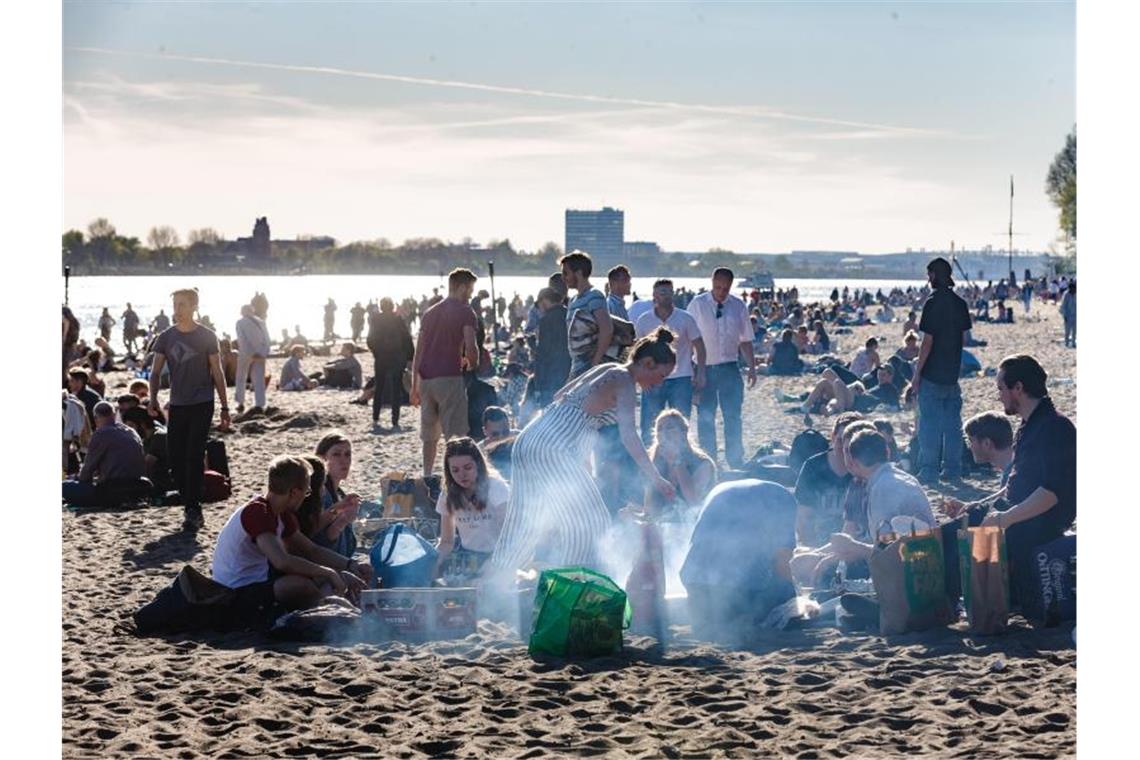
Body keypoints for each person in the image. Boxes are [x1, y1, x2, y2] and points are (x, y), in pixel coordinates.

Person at [489, 329, 679, 576]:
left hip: (532, 438)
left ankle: (493, 587)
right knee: (591, 522)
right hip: (554, 448)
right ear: (648, 363)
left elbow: (561, 396)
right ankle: (572, 584)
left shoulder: (609, 368)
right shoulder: (626, 383)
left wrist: (581, 458)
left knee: (523, 522)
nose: (660, 383)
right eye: (661, 375)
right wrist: (656, 477)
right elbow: (629, 436)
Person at [210, 456, 367, 617]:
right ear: (293, 492)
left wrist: (349, 565)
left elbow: (311, 550)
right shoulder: (258, 512)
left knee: (323, 578)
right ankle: (330, 611)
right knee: (298, 585)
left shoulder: (281, 513)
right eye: (306, 492)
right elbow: (282, 561)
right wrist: (328, 573)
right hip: (233, 593)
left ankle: (329, 607)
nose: (306, 497)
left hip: (258, 584)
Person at [973, 355, 1076, 601]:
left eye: (1001, 388)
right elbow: (1016, 480)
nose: (999, 395)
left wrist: (1005, 519)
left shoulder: (1055, 427)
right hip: (1019, 516)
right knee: (965, 521)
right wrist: (981, 505)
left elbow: (1052, 493)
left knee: (968, 538)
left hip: (1039, 526)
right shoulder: (1028, 426)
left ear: (1018, 388)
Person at [149, 287, 231, 530]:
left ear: (194, 306)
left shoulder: (207, 336)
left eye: (182, 304)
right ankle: (189, 500)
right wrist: (153, 398)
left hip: (202, 402)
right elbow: (154, 372)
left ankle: (192, 508)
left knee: (194, 455)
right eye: (175, 305)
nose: (177, 310)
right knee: (175, 456)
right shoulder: (166, 337)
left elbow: (217, 372)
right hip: (178, 403)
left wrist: (225, 408)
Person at [680, 480, 798, 642]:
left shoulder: (721, 488)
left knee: (709, 625)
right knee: (784, 594)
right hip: (737, 589)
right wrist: (793, 598)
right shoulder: (783, 500)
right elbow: (783, 563)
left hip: (694, 584)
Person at [687, 267, 758, 468]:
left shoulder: (738, 306)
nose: (721, 292)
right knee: (705, 417)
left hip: (730, 368)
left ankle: (735, 459)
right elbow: (688, 338)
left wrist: (752, 367)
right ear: (712, 283)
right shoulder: (698, 304)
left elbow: (745, 340)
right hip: (704, 368)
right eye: (717, 287)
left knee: (733, 415)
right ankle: (709, 460)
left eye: (725, 289)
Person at [411, 269, 480, 476]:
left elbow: (419, 350)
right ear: (461, 287)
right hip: (449, 376)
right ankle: (454, 476)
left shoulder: (430, 312)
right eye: (469, 289)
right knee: (456, 433)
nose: (470, 294)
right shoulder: (465, 311)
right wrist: (472, 362)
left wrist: (414, 385)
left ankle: (428, 474)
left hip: (426, 379)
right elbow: (471, 346)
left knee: (429, 435)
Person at [911, 258, 972, 483]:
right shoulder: (960, 303)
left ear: (934, 275)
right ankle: (952, 470)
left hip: (933, 374)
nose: (928, 279)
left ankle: (929, 471)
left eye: (929, 275)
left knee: (930, 425)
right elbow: (963, 338)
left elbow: (927, 342)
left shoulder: (932, 302)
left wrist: (917, 374)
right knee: (952, 426)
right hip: (951, 375)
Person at [633, 279, 707, 444]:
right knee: (649, 426)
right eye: (662, 293)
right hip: (652, 380)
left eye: (669, 292)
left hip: (681, 378)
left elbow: (699, 346)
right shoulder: (644, 320)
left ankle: (681, 460)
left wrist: (700, 373)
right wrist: (639, 379)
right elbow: (637, 352)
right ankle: (650, 464)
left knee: (681, 425)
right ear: (654, 296)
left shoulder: (685, 318)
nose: (666, 296)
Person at [434, 437, 511, 579]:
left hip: (500, 555)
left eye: (467, 468)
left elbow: (509, 537)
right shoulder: (448, 494)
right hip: (468, 557)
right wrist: (434, 563)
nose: (462, 475)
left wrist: (493, 564)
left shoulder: (496, 488)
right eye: (455, 470)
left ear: (478, 465)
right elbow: (447, 542)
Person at [793, 412, 863, 548]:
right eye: (840, 440)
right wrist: (812, 549)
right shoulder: (813, 466)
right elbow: (803, 518)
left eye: (851, 444)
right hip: (819, 541)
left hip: (855, 545)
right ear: (832, 437)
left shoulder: (864, 468)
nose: (844, 448)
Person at [62, 401, 147, 506]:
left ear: (96, 418)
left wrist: (78, 479)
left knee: (64, 486)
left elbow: (87, 470)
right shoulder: (131, 432)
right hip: (138, 486)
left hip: (112, 490)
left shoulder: (101, 434)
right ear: (114, 414)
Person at [310, 433, 369, 577]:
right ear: (322, 458)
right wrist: (342, 520)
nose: (344, 460)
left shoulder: (341, 494)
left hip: (339, 564)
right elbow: (316, 540)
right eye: (336, 454)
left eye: (347, 454)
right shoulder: (320, 493)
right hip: (322, 569)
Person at [647, 410, 716, 510]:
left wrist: (677, 461)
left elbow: (693, 502)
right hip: (664, 524)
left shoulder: (703, 464)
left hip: (695, 523)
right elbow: (650, 511)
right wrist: (636, 518)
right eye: (660, 429)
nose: (664, 433)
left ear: (684, 432)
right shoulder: (656, 464)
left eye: (670, 428)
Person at [562, 251, 613, 379]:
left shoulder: (594, 296)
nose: (563, 277)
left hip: (589, 366)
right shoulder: (573, 300)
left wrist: (595, 363)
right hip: (576, 365)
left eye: (566, 273)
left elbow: (606, 330)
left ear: (578, 273)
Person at [367, 297, 415, 429]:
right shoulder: (398, 319)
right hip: (397, 357)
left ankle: (376, 417)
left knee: (379, 387)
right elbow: (407, 338)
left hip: (381, 357)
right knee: (396, 388)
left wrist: (376, 353)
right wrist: (410, 357)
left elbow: (370, 339)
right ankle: (395, 419)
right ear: (392, 306)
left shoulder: (375, 319)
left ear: (381, 306)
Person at [529, 287, 571, 412]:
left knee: (550, 418)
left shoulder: (546, 320)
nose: (539, 309)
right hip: (568, 373)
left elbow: (543, 354)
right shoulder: (568, 314)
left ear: (544, 301)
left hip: (550, 378)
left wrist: (532, 343)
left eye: (539, 305)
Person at [121, 406, 171, 495]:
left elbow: (147, 464)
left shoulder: (159, 437)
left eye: (131, 426)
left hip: (163, 484)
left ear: (142, 424)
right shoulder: (146, 438)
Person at [234, 304, 270, 413]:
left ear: (242, 312)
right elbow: (267, 339)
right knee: (259, 378)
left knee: (241, 377)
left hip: (246, 353)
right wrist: (264, 353)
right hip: (261, 352)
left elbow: (242, 340)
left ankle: (240, 402)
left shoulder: (240, 322)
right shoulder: (261, 322)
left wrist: (250, 353)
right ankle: (260, 404)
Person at [1060, 281, 1076, 348]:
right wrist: (1064, 316)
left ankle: (1073, 343)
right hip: (1068, 315)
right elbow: (1063, 306)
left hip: (1076, 315)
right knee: (1067, 331)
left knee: (1075, 331)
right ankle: (1066, 343)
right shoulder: (1066, 294)